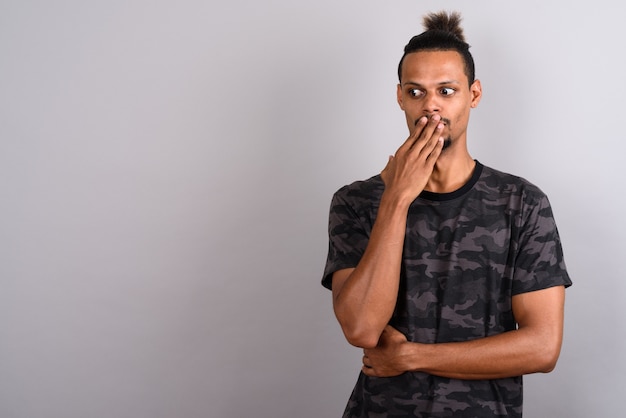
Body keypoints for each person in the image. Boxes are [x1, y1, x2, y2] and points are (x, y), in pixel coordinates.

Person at [322, 11, 572, 418]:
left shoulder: (522, 202)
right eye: (417, 92)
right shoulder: (357, 202)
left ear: (473, 94)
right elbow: (362, 328)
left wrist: (410, 357)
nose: (431, 107)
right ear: (400, 97)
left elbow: (543, 347)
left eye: (446, 90)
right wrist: (397, 200)